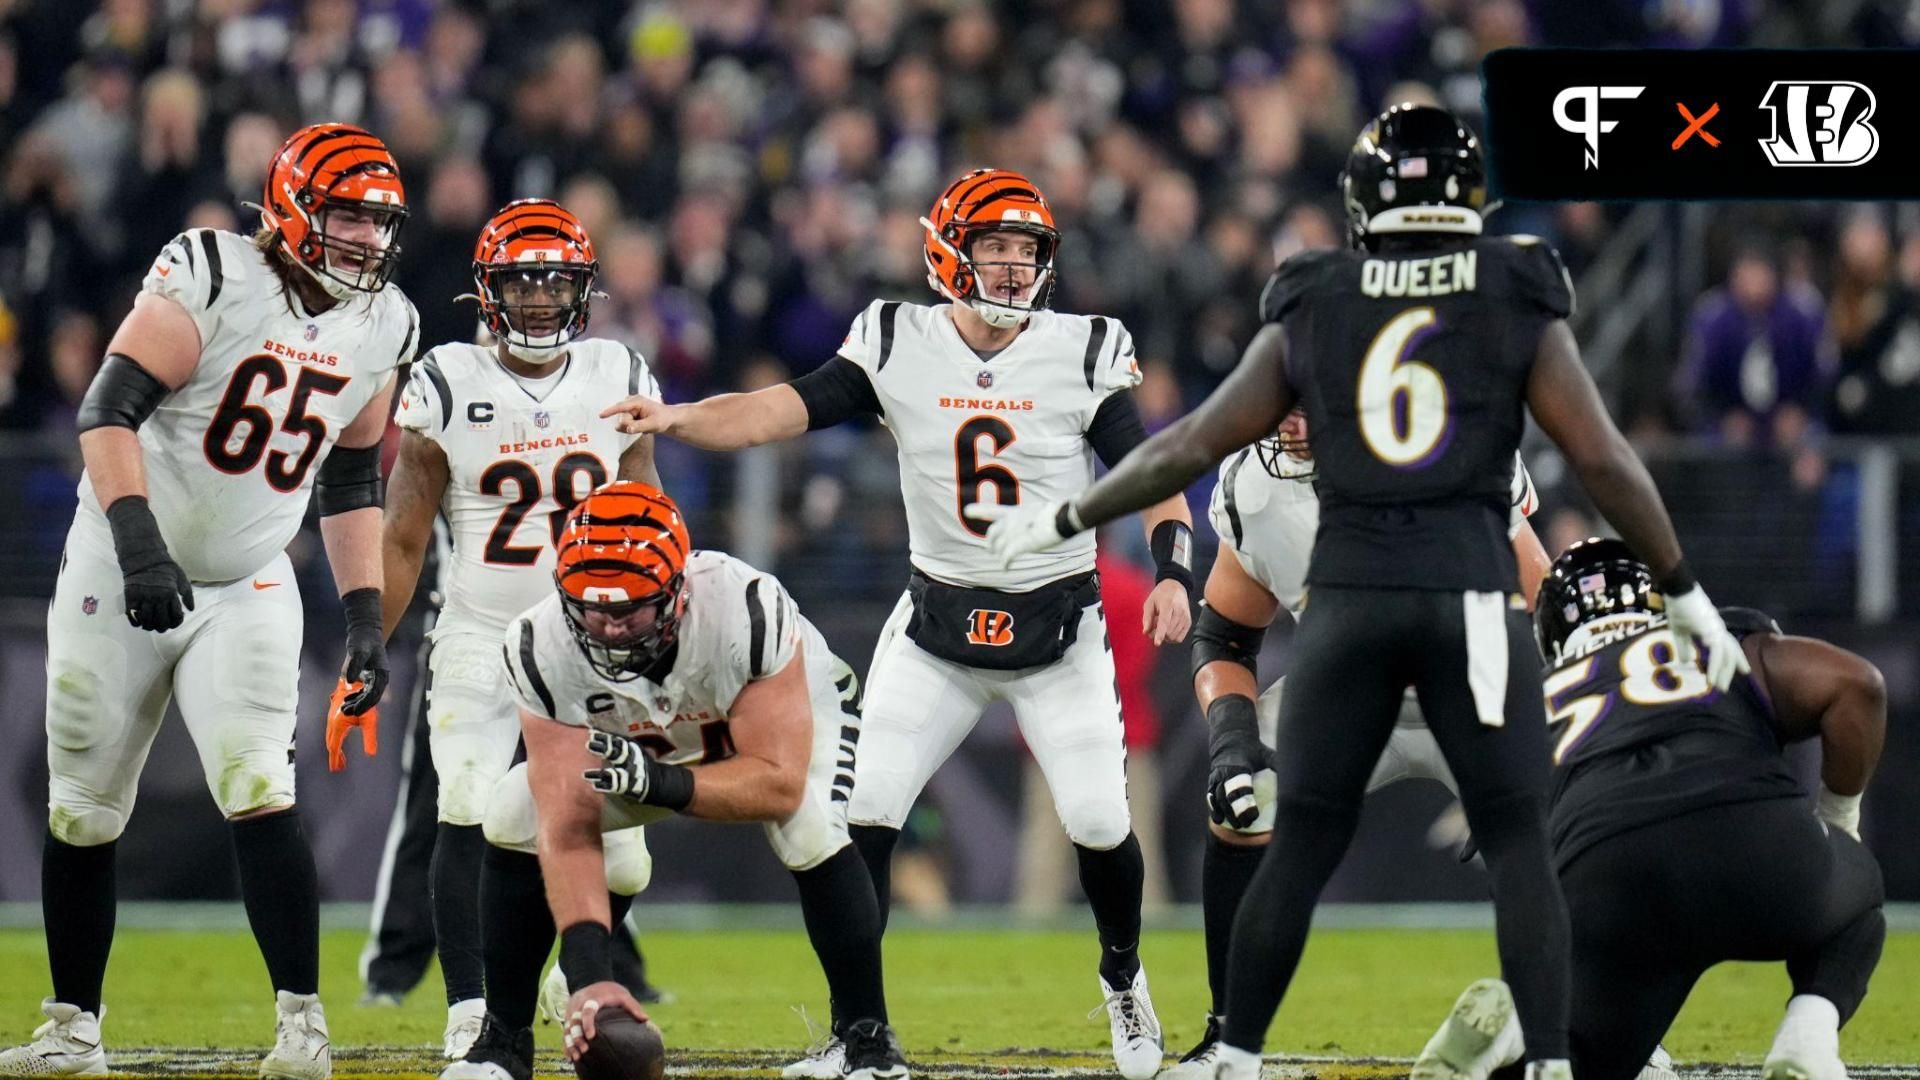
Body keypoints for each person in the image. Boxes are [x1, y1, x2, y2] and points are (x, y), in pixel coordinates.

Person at [968, 104, 1748, 1080]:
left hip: (1353, 616)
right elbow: (1600, 458)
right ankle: (1558, 1057)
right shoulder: (1502, 303)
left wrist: (1066, 518)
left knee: (1323, 846)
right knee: (1516, 842)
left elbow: (1188, 443)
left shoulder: (1319, 302)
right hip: (1464, 617)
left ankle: (1238, 1053)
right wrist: (1683, 594)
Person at [599, 168, 1195, 1079]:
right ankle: (858, 1033)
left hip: (1057, 633)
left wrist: (1170, 568)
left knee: (1098, 823)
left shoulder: (1082, 349)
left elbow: (1155, 470)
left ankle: (1123, 977)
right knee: (858, 814)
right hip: (936, 629)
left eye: (1024, 252)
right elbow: (774, 411)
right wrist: (676, 417)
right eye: (993, 250)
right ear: (949, 254)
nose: (1009, 270)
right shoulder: (895, 340)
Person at [1, 122, 417, 1080]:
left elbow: (353, 481)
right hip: (120, 557)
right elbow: (107, 411)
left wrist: (363, 618)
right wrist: (141, 547)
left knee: (261, 786)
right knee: (84, 806)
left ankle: (303, 1029)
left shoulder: (385, 320)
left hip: (249, 577)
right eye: (347, 214)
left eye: (378, 221)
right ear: (293, 207)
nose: (364, 238)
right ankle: (72, 1028)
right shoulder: (211, 272)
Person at [326, 198, 662, 1059]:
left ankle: (564, 970)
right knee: (467, 804)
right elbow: (402, 534)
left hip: (594, 643)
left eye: (557, 281)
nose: (543, 299)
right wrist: (369, 645)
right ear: (489, 290)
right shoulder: (447, 379)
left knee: (625, 857)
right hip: (480, 631)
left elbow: (651, 514)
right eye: (524, 281)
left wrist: (661, 646)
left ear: (584, 290)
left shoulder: (617, 372)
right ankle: (471, 1006)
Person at [444, 482, 905, 1080]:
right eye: (592, 607)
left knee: (807, 826)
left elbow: (777, 783)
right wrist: (590, 977)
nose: (609, 628)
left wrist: (660, 783)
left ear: (678, 593)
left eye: (629, 608)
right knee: (514, 808)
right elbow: (564, 818)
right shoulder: (538, 645)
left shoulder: (744, 610)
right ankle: (504, 1043)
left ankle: (868, 1041)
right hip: (648, 741)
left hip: (773, 730)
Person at [1161, 409, 1547, 1077]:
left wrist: (1525, 753)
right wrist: (1230, 739)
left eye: (1311, 400)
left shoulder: (1448, 443)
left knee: (1578, 826)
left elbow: (1544, 601)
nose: (1291, 421)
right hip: (1347, 700)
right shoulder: (1256, 486)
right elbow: (1224, 636)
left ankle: (1610, 1029)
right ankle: (1229, 1038)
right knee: (1241, 801)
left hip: (1477, 694)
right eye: (1281, 400)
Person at [1412, 539, 1885, 1080]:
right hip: (1749, 839)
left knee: (1582, 1060)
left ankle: (1515, 1030)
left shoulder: (1526, 700)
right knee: (1858, 895)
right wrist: (1837, 822)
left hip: (1604, 879)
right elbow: (1857, 685)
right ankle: (1808, 1044)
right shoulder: (1718, 638)